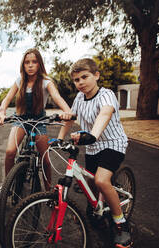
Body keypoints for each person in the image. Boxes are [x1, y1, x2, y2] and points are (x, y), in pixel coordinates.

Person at [57, 58, 131, 248]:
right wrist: (59, 137)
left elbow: (104, 114)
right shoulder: (79, 98)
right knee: (90, 182)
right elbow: (71, 118)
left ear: (96, 76)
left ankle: (121, 224)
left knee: (101, 181)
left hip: (113, 143)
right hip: (93, 145)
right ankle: (96, 208)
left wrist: (92, 135)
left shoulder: (106, 95)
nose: (80, 82)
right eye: (76, 80)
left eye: (84, 77)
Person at [0, 48, 73, 192]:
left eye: (34, 62)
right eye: (27, 62)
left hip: (39, 120)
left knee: (45, 158)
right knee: (10, 151)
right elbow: (6, 99)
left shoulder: (46, 81)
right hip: (21, 119)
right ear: (23, 65)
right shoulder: (20, 81)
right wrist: (2, 112)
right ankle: (7, 185)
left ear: (39, 64)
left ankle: (48, 190)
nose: (30, 65)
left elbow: (57, 97)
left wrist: (67, 111)